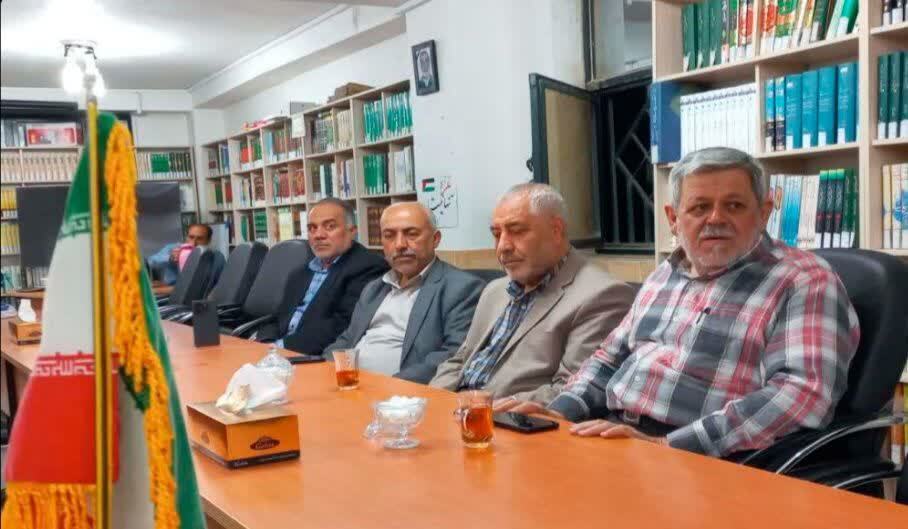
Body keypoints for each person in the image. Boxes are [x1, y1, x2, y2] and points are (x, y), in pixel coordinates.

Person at [499, 147, 860, 458]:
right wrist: (560, 413)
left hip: (706, 457)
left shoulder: (804, 281)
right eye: (699, 207)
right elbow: (608, 358)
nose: (715, 218)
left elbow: (801, 395)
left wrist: (668, 446)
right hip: (615, 436)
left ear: (764, 212)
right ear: (673, 219)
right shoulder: (665, 275)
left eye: (734, 205)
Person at [430, 183, 635, 404]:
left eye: (517, 231)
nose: (502, 247)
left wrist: (478, 407)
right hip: (455, 411)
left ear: (556, 230)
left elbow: (571, 392)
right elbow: (461, 360)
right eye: (497, 234)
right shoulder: (494, 291)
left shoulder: (603, 296)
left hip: (509, 419)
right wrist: (431, 401)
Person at [325, 202, 484, 383]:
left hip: (401, 392)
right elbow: (347, 340)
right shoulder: (375, 288)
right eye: (389, 236)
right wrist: (322, 369)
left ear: (435, 239)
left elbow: (453, 355)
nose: (399, 244)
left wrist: (391, 385)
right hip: (350, 385)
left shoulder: (462, 288)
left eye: (411, 234)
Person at [269, 198, 389, 356]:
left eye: (330, 226)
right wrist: (261, 342)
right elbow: (278, 317)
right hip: (276, 353)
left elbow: (342, 326)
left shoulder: (367, 267)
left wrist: (280, 347)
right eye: (312, 228)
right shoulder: (300, 272)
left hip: (313, 356)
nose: (318, 235)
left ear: (352, 231)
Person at [147, 223, 216, 285]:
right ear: (186, 237)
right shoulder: (173, 248)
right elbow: (150, 262)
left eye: (199, 239)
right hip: (172, 286)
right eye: (191, 237)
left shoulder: (213, 256)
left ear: (208, 240)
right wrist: (169, 258)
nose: (194, 243)